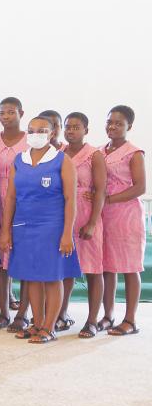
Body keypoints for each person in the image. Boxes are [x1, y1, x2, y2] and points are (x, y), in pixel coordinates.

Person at [0, 116, 80, 344]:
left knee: (52, 277)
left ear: (52, 133)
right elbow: (11, 197)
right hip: (23, 227)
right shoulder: (19, 160)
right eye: (32, 130)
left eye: (42, 130)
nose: (36, 134)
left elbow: (70, 200)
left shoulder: (62, 160)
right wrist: (6, 230)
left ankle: (49, 327)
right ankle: (37, 323)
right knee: (32, 277)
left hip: (52, 227)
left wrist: (67, 233)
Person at [100, 105, 145, 337]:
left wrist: (109, 198)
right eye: (110, 122)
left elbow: (140, 187)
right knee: (107, 266)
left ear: (129, 126)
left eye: (119, 123)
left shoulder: (134, 153)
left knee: (129, 267)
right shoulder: (99, 151)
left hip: (126, 215)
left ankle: (130, 320)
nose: (113, 126)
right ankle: (108, 316)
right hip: (104, 215)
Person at [62, 113, 108, 338]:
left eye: (76, 127)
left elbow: (100, 190)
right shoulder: (59, 153)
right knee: (65, 269)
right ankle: (61, 314)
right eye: (67, 127)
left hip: (87, 214)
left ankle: (91, 321)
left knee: (92, 270)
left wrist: (92, 223)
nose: (71, 131)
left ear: (86, 130)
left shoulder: (94, 155)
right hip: (63, 215)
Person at [0, 96, 29, 331]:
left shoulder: (31, 142)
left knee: (23, 259)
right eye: (2, 112)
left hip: (23, 203)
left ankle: (22, 313)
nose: (5, 116)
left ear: (21, 112)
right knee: (1, 262)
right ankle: (3, 313)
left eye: (11, 112)